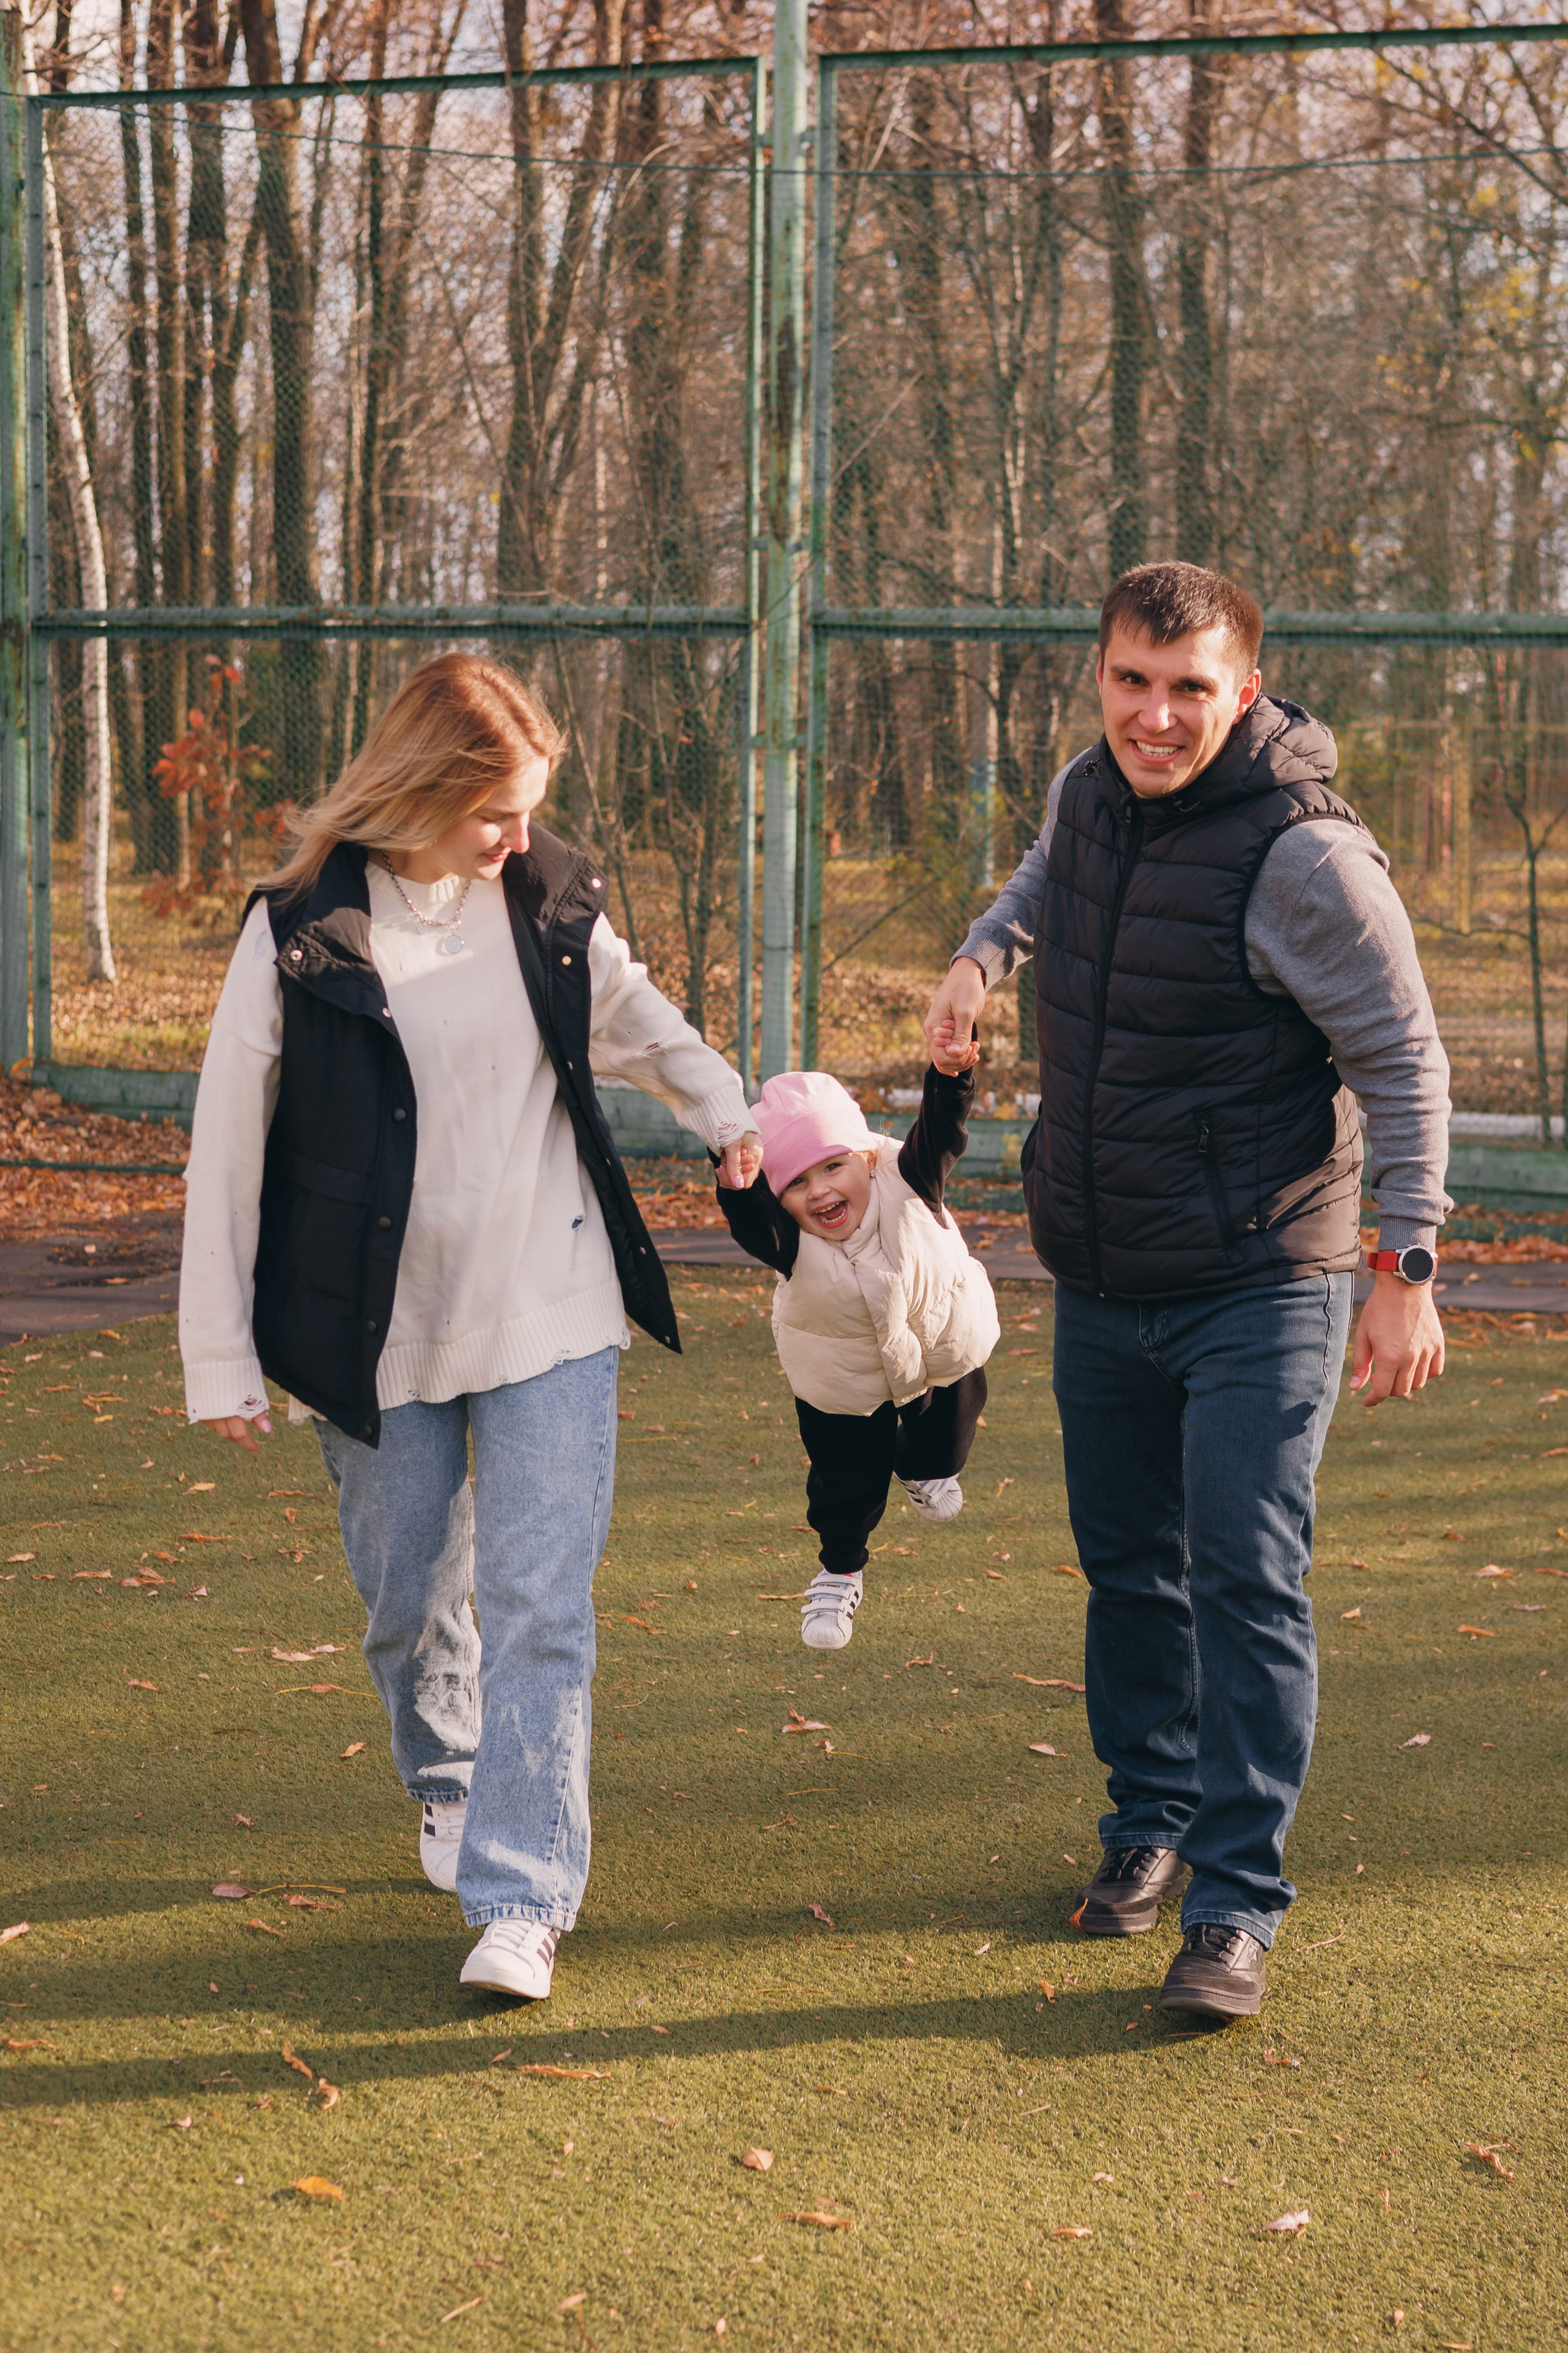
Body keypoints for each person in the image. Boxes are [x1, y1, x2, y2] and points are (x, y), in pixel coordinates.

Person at [179, 652, 760, 2003]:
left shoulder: (544, 898)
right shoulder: (297, 927)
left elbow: (638, 1022)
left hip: (550, 1297)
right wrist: (221, 1357)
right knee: (408, 1598)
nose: (518, 838)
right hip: (372, 1325)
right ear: (423, 789)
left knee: (538, 1606)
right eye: (495, 812)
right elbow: (227, 1150)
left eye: (528, 811)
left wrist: (729, 1113)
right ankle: (444, 1775)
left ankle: (521, 1899)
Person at [923, 562, 1449, 2021]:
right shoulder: (1085, 790)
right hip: (1097, 1268)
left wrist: (1400, 1270)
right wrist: (980, 956)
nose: (1153, 718)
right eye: (1129, 684)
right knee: (1126, 1569)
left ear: (1242, 689)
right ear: (1099, 677)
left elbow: (1403, 1066)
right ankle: (1146, 1818)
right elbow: (1047, 878)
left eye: (1186, 691)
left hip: (1258, 1277)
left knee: (1241, 1575)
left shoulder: (1305, 860)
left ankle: (1231, 1903)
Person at [715, 1062, 1000, 1650]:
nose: (819, 1190)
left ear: (867, 1157)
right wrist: (739, 1187)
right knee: (846, 1485)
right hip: (842, 1386)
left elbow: (943, 1128)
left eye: (833, 1166)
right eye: (795, 1183)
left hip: (941, 1357)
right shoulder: (790, 1238)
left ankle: (919, 1466)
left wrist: (952, 1075)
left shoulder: (910, 1176)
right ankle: (840, 1570)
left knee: (943, 1453)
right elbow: (752, 1225)